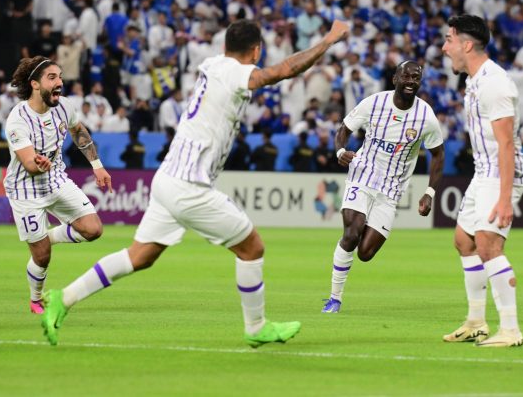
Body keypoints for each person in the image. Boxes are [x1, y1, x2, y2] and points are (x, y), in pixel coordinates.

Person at [40, 18, 349, 347]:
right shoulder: (232, 70)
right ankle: (256, 327)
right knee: (252, 248)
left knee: (140, 255)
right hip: (189, 183)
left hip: (169, 177)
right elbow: (283, 70)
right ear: (256, 50)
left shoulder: (214, 64)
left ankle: (64, 297)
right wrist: (329, 40)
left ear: (224, 46)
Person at [321, 60, 444, 314]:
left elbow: (439, 155)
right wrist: (341, 151)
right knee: (351, 234)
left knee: (365, 253)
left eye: (416, 78)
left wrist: (430, 192)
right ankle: (334, 298)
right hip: (362, 176)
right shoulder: (374, 103)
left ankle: (362, 226)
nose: (411, 81)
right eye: (406, 76)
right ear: (395, 79)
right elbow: (343, 130)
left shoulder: (426, 117)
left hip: (391, 191)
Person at [441, 14, 523, 347]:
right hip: (484, 171)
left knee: (489, 246)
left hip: (502, 171)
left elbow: (506, 143)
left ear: (466, 44)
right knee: (464, 240)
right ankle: (476, 321)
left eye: (449, 40)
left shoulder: (494, 83)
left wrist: (505, 199)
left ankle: (510, 330)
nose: (445, 47)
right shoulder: (474, 81)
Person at [4, 56, 113, 315]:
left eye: (60, 77)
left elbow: (78, 131)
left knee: (93, 229)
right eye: (52, 77)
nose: (60, 83)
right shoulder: (18, 119)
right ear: (35, 84)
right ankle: (35, 299)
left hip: (56, 180)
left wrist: (96, 164)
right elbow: (29, 163)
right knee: (42, 257)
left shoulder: (64, 106)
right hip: (25, 190)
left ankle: (48, 237)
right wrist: (37, 162)